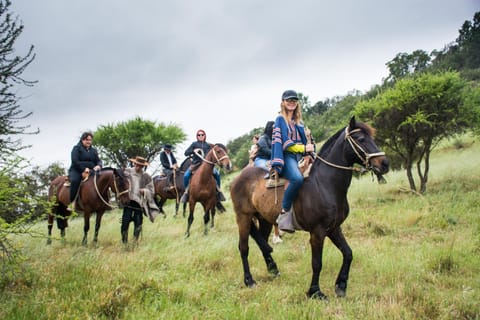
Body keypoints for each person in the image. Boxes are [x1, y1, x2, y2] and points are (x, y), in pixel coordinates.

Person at [271, 90, 315, 233]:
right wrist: (304, 148)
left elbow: (305, 141)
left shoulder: (299, 122)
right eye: (289, 100)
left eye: (294, 100)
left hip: (301, 156)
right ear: (283, 102)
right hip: (287, 156)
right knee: (296, 179)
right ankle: (284, 213)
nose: (292, 102)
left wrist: (309, 150)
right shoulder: (280, 119)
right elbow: (286, 142)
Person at [121, 156, 159, 244]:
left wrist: (145, 191)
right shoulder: (127, 172)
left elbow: (152, 191)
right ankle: (124, 242)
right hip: (128, 201)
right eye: (137, 165)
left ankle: (135, 241)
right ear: (134, 164)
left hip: (139, 203)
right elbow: (120, 182)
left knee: (138, 223)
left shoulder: (146, 176)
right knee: (125, 222)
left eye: (141, 166)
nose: (139, 167)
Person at [180, 129, 225, 203]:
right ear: (197, 136)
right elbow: (186, 153)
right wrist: (193, 150)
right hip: (196, 164)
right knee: (186, 175)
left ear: (205, 136)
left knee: (217, 174)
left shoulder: (208, 145)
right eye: (199, 135)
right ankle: (186, 192)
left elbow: (212, 155)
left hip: (206, 165)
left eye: (202, 135)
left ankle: (218, 192)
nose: (200, 136)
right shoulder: (194, 144)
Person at [68, 131, 102, 208]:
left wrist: (99, 166)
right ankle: (72, 202)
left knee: (102, 179)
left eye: (90, 140)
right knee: (75, 180)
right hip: (77, 170)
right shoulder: (76, 149)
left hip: (91, 170)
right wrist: (84, 168)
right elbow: (75, 161)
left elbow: (98, 160)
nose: (89, 142)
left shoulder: (93, 150)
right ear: (82, 140)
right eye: (87, 140)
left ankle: (104, 201)